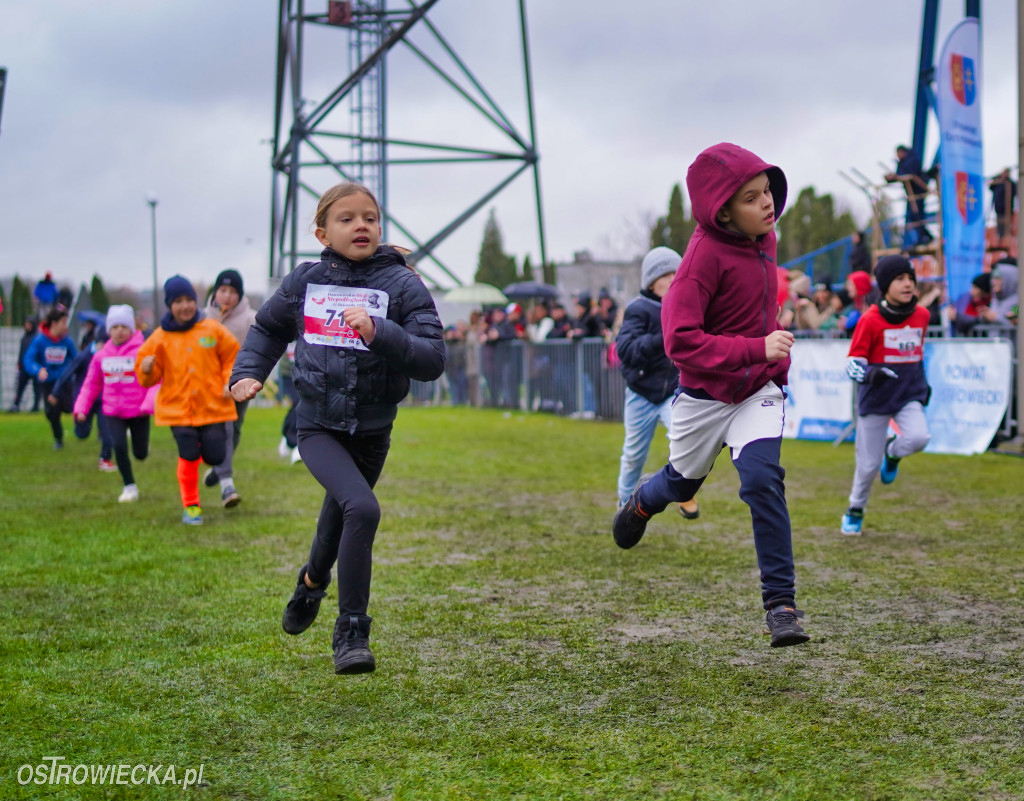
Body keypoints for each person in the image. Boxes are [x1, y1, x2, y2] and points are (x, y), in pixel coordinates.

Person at [229, 182, 445, 675]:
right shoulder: (305, 280)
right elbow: (268, 329)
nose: (360, 225)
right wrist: (248, 372)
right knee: (362, 509)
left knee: (337, 519)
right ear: (323, 233)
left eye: (369, 217)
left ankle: (310, 583)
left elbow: (432, 359)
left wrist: (379, 331)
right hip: (318, 427)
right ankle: (351, 633)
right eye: (346, 219)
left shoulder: (403, 285)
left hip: (372, 431)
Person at [612, 142, 809, 648]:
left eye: (767, 191)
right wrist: (757, 346)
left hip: (757, 388)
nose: (767, 203)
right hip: (703, 398)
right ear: (722, 211)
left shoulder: (766, 236)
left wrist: (767, 352)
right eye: (752, 197)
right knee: (681, 484)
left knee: (762, 479)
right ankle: (641, 503)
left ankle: (781, 605)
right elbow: (680, 342)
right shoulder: (698, 261)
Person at [135, 275, 240, 526]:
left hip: (213, 407)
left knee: (215, 456)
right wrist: (146, 369)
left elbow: (233, 356)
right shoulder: (160, 337)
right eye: (178, 301)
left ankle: (206, 459)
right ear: (170, 305)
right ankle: (191, 506)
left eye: (189, 300)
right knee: (188, 454)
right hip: (178, 410)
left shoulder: (212, 329)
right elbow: (146, 377)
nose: (185, 306)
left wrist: (230, 380)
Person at [841, 255, 932, 535]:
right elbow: (852, 364)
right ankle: (855, 508)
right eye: (900, 279)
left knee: (919, 438)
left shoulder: (923, 316)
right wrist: (871, 374)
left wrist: (922, 383)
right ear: (884, 285)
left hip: (908, 396)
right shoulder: (869, 320)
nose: (908, 284)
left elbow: (917, 354)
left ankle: (892, 453)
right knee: (868, 466)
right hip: (876, 400)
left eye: (911, 279)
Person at [614, 246, 700, 519]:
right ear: (651, 281)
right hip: (640, 393)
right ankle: (624, 508)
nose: (674, 278)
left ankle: (684, 491)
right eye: (666, 274)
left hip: (672, 392)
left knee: (685, 441)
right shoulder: (638, 309)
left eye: (677, 272)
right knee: (633, 456)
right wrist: (665, 336)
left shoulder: (686, 306)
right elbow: (626, 350)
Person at [72, 305, 152, 503]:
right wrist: (81, 408)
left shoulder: (143, 352)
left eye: (124, 326)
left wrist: (151, 402)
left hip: (138, 411)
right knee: (118, 446)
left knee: (140, 453)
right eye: (115, 327)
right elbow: (91, 385)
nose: (119, 331)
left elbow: (154, 380)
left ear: (131, 328)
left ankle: (141, 447)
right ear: (108, 330)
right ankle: (129, 486)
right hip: (112, 411)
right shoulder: (101, 356)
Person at [202, 269, 258, 507]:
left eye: (232, 291)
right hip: (209, 387)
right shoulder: (203, 318)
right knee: (220, 430)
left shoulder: (250, 319)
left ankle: (219, 469)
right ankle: (226, 483)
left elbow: (258, 350)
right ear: (215, 292)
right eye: (222, 290)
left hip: (240, 383)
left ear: (240, 295)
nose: (226, 296)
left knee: (234, 430)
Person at [22, 306, 77, 450]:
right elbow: (28, 359)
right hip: (48, 383)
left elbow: (77, 360)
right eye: (63, 322)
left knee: (69, 407)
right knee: (51, 412)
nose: (65, 326)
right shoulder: (40, 340)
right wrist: (38, 370)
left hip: (64, 382)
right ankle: (58, 439)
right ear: (54, 323)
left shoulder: (67, 341)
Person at [884, 145, 932, 246]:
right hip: (911, 194)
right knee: (914, 217)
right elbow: (900, 175)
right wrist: (891, 178)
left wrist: (898, 175)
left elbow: (911, 173)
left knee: (918, 215)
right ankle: (923, 237)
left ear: (903, 152)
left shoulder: (912, 160)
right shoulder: (902, 163)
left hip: (918, 191)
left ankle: (924, 237)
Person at [8, 315, 42, 413]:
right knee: (20, 387)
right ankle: (16, 405)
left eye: (29, 324)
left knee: (36, 388)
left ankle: (35, 406)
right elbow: (21, 352)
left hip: (34, 366)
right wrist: (19, 363)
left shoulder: (37, 338)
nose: (27, 326)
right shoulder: (24, 338)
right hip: (24, 367)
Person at [978, 259, 1018, 329]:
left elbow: (1017, 324)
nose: (993, 282)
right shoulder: (994, 301)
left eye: (998, 278)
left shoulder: (1018, 301)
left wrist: (995, 317)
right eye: (993, 278)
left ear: (1010, 279)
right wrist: (984, 317)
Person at [988, 168, 1017, 239]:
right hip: (999, 210)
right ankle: (1001, 239)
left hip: (1007, 210)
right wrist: (998, 177)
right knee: (1000, 229)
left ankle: (1005, 239)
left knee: (1006, 228)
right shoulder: (998, 183)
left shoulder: (1009, 183)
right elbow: (991, 186)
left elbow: (1015, 191)